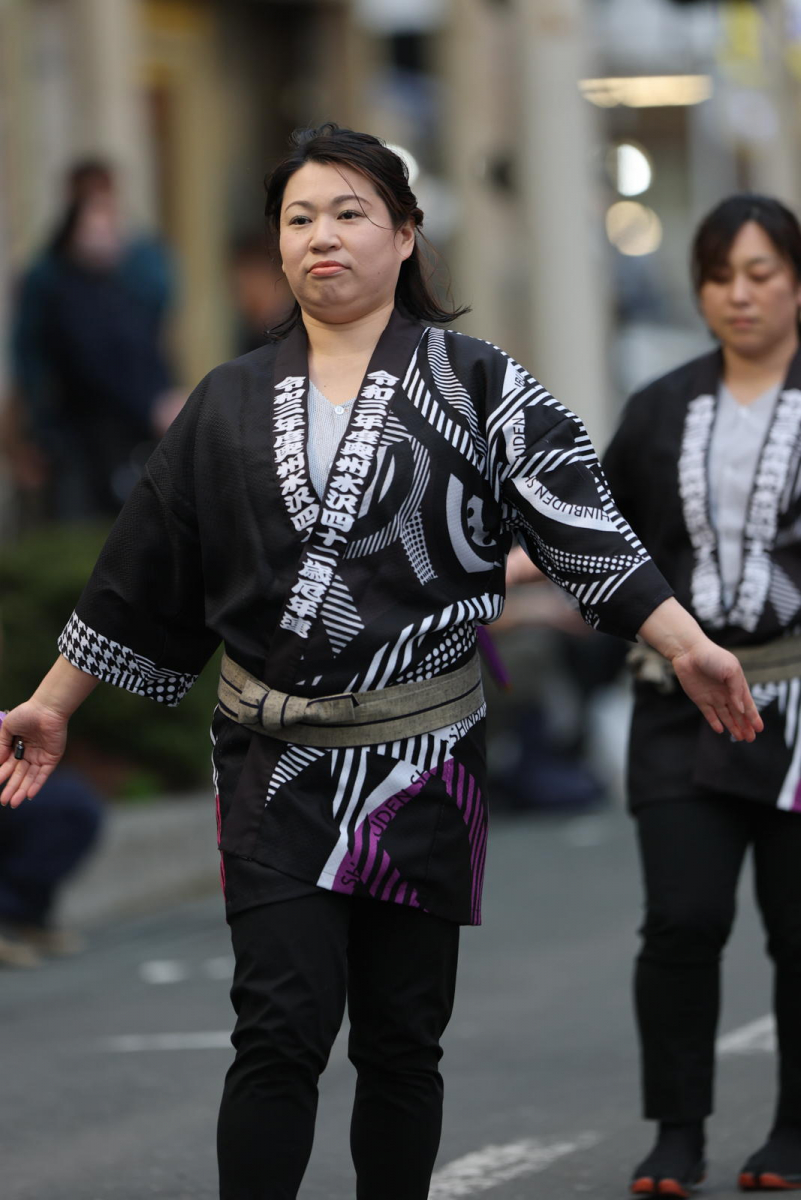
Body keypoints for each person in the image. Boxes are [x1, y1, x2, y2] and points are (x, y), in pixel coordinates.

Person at [0, 127, 761, 1200]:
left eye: (351, 213)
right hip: (271, 764)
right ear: (278, 246)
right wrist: (50, 701)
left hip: (424, 764)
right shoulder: (226, 404)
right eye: (301, 218)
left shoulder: (478, 383)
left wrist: (686, 645)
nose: (323, 238)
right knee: (278, 1028)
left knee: (402, 1042)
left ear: (405, 236)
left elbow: (582, 525)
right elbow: (140, 573)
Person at [602, 194, 801, 1197]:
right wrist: (480, 582)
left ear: (796, 281)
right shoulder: (659, 408)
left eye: (761, 273)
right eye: (721, 277)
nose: (741, 295)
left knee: (800, 924)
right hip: (680, 699)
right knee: (680, 917)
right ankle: (676, 1134)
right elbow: (596, 540)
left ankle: (796, 1130)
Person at [9, 158, 181, 520]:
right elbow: (34, 356)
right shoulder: (52, 276)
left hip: (131, 427)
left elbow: (151, 328)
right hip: (74, 428)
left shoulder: (138, 261)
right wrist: (32, 429)